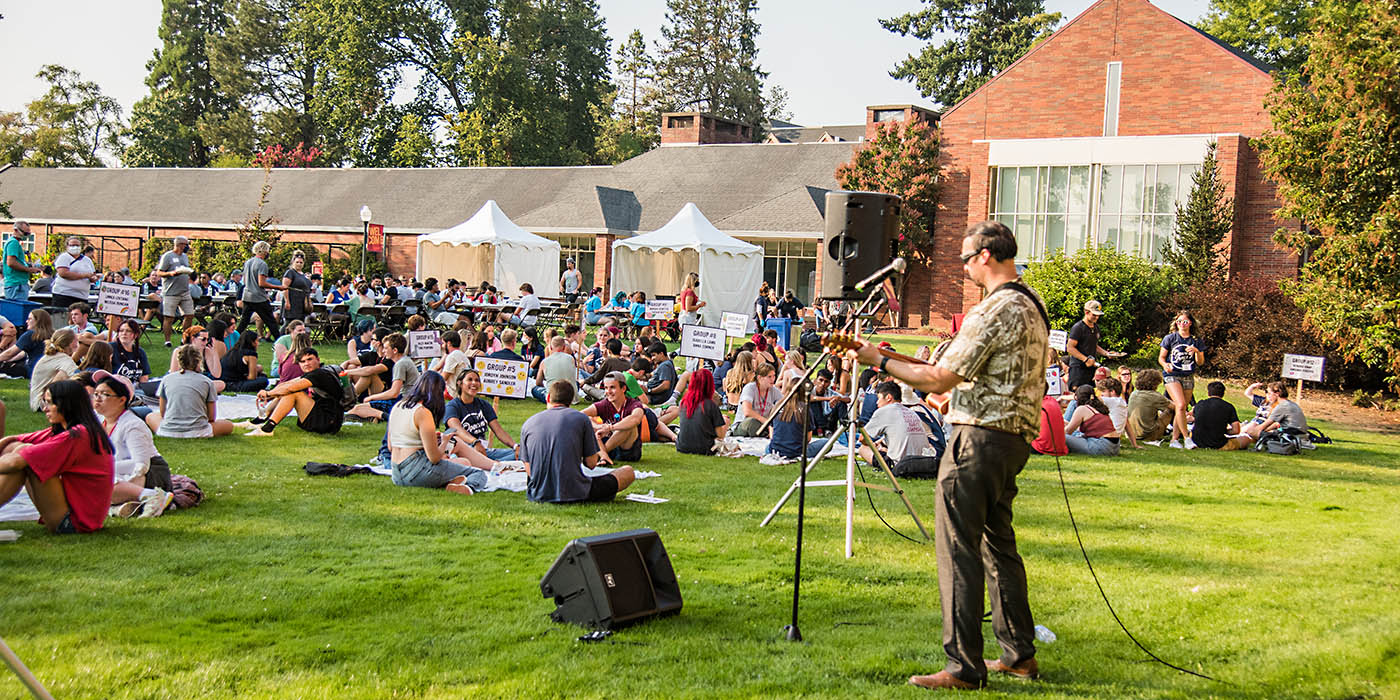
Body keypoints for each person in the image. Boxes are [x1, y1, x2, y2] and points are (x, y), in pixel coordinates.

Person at [848, 220, 1047, 690]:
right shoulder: (1031, 305)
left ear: (986, 256)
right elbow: (960, 373)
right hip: (1012, 439)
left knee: (958, 549)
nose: (962, 267)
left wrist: (877, 360)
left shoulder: (993, 309)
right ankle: (1018, 655)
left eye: (965, 258)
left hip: (978, 440)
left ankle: (963, 666)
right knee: (998, 547)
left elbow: (939, 380)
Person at [0, 379, 115, 533]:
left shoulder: (79, 435)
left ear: (65, 404)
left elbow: (15, 463)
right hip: (73, 513)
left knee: (27, 457)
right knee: (17, 448)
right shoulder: (68, 429)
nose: (45, 409)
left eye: (49, 403)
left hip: (74, 523)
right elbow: (15, 440)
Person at [522, 380, 635, 503]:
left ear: (548, 397)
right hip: (576, 492)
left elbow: (530, 470)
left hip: (538, 493)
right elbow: (591, 464)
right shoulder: (581, 419)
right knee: (628, 472)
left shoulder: (529, 423)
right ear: (571, 401)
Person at [387, 371, 486, 494]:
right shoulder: (422, 412)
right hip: (416, 469)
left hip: (396, 473)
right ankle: (468, 488)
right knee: (478, 473)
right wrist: (444, 441)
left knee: (462, 463)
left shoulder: (397, 406)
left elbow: (391, 446)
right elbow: (434, 458)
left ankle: (451, 482)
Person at [90, 372, 174, 518]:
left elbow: (140, 465)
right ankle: (117, 508)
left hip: (149, 473)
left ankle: (151, 496)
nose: (97, 398)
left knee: (97, 483)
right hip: (117, 470)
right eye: (96, 393)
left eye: (104, 394)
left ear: (122, 399)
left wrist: (102, 467)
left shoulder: (133, 425)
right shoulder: (98, 419)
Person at [245, 348, 345, 436]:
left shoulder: (319, 374)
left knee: (294, 393)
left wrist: (268, 394)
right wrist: (270, 393)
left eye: (310, 359)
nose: (306, 363)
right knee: (286, 390)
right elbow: (286, 384)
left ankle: (267, 429)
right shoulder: (316, 372)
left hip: (328, 421)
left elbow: (291, 388)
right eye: (302, 361)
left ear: (318, 360)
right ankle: (260, 419)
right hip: (327, 419)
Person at [148, 345, 235, 438]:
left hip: (169, 431)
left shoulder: (167, 379)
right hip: (199, 430)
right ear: (199, 361)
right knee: (228, 425)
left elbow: (163, 412)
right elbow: (211, 417)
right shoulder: (206, 382)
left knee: (151, 416)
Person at [443, 369, 519, 462]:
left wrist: (515, 446)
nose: (474, 383)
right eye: (470, 380)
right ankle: (493, 464)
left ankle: (494, 464)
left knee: (521, 454)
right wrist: (474, 442)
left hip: (483, 450)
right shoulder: (452, 406)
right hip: (460, 452)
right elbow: (457, 429)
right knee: (467, 462)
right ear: (460, 383)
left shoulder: (483, 404)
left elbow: (498, 430)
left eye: (477, 380)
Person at [859, 381, 935, 467]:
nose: (877, 403)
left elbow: (862, 438)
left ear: (888, 397)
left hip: (899, 465)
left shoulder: (884, 411)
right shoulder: (912, 412)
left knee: (863, 449)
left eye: (879, 398)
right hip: (921, 462)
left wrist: (871, 445)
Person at [349, 333, 418, 421]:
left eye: (386, 348)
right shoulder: (404, 361)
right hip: (405, 399)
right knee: (358, 408)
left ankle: (386, 417)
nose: (383, 351)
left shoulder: (400, 364)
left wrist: (371, 397)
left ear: (395, 350)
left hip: (403, 401)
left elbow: (394, 393)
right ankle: (373, 417)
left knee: (356, 409)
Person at [581, 373, 647, 464]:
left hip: (627, 451)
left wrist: (610, 427)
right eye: (606, 388)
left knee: (627, 426)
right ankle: (604, 457)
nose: (608, 391)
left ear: (623, 388)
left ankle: (600, 455)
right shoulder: (604, 404)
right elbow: (580, 416)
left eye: (612, 387)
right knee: (589, 424)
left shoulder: (634, 404)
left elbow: (635, 419)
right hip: (607, 444)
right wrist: (597, 426)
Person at [1065, 300, 1125, 390]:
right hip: (1078, 368)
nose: (1096, 317)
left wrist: (1106, 353)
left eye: (1098, 315)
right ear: (1086, 312)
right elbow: (1070, 348)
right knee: (1078, 394)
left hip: (1092, 368)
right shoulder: (1078, 328)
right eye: (1094, 315)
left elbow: (1094, 345)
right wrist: (1085, 360)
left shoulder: (1096, 327)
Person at [155, 236, 197, 347]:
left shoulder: (185, 257)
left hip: (184, 291)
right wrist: (171, 273)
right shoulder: (167, 256)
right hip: (171, 292)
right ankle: (167, 340)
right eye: (185, 244)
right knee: (169, 317)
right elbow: (159, 272)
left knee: (189, 315)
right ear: (179, 244)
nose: (187, 247)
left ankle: (185, 339)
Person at [674, 368, 727, 455]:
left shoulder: (683, 403)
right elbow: (720, 435)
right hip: (705, 448)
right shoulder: (710, 405)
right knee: (725, 421)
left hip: (682, 446)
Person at [237, 240, 285, 336]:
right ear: (264, 251)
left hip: (247, 295)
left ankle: (234, 337)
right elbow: (261, 283)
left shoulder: (248, 262)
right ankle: (279, 341)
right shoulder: (262, 264)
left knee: (244, 322)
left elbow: (245, 280)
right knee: (271, 321)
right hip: (258, 297)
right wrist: (278, 287)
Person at [1190, 381, 1252, 450]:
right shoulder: (1229, 407)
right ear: (1223, 393)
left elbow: (1193, 418)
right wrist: (1223, 431)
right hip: (1218, 444)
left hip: (1196, 441)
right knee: (1246, 439)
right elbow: (1236, 430)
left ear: (1208, 393)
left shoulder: (1200, 404)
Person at [30, 329, 80, 411]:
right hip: (42, 402)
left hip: (36, 400)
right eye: (76, 340)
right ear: (71, 343)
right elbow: (77, 377)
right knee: (65, 375)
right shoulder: (64, 359)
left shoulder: (52, 356)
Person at [1063, 385, 1119, 456]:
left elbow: (1068, 431)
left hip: (1101, 446)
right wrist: (1066, 423)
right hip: (1115, 447)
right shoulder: (1100, 408)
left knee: (1062, 437)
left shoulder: (1082, 409)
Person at [1125, 369, 1174, 445]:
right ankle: (1178, 432)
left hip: (1130, 433)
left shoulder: (1134, 393)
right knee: (1170, 411)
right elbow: (1176, 407)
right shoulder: (1155, 396)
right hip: (1148, 435)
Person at [0, 308, 52, 378]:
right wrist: (10, 360)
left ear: (37, 321)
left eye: (29, 319)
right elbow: (23, 353)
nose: (26, 321)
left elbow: (10, 353)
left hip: (32, 370)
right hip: (48, 370)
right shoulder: (53, 334)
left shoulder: (31, 334)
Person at [731, 364, 781, 437]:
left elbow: (784, 403)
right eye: (769, 377)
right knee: (752, 422)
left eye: (774, 376)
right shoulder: (750, 388)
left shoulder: (773, 390)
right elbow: (747, 412)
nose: (773, 379)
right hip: (744, 425)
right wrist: (766, 421)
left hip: (764, 426)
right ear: (759, 378)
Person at [51, 236, 99, 308]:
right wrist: (84, 275)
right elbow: (63, 273)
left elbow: (92, 275)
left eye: (77, 245)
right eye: (72, 245)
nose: (75, 247)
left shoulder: (87, 260)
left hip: (82, 296)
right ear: (67, 246)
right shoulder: (64, 257)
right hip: (64, 295)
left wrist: (94, 278)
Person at [580, 337, 631, 402]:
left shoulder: (609, 361)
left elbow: (597, 377)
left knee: (585, 386)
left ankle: (597, 398)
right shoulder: (627, 363)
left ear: (609, 350)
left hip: (609, 394)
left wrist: (584, 382)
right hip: (623, 393)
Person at [3, 220, 41, 301]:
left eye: (28, 234)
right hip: (16, 284)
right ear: (16, 230)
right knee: (16, 311)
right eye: (25, 233)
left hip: (18, 283)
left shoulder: (15, 243)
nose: (26, 236)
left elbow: (17, 262)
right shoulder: (13, 243)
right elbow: (11, 262)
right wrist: (29, 270)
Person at [533, 335, 577, 403]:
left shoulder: (544, 362)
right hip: (571, 397)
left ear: (550, 347)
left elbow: (538, 382)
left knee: (535, 389)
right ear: (564, 347)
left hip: (553, 397)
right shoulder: (571, 359)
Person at [108, 319, 151, 384]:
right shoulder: (110, 348)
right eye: (121, 331)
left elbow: (144, 377)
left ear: (135, 335)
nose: (124, 333)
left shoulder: (140, 352)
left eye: (128, 331)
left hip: (136, 389)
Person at [281, 250, 313, 323]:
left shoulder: (303, 275)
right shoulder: (290, 272)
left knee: (299, 323)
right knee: (289, 323)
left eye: (301, 262)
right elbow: (285, 287)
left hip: (302, 303)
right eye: (297, 262)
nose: (299, 264)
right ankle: (279, 334)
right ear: (293, 262)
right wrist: (287, 301)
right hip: (292, 301)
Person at [644, 343, 677, 407]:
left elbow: (665, 385)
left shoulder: (665, 366)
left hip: (655, 398)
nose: (652, 358)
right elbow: (652, 374)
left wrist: (649, 391)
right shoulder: (666, 363)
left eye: (654, 355)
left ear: (661, 354)